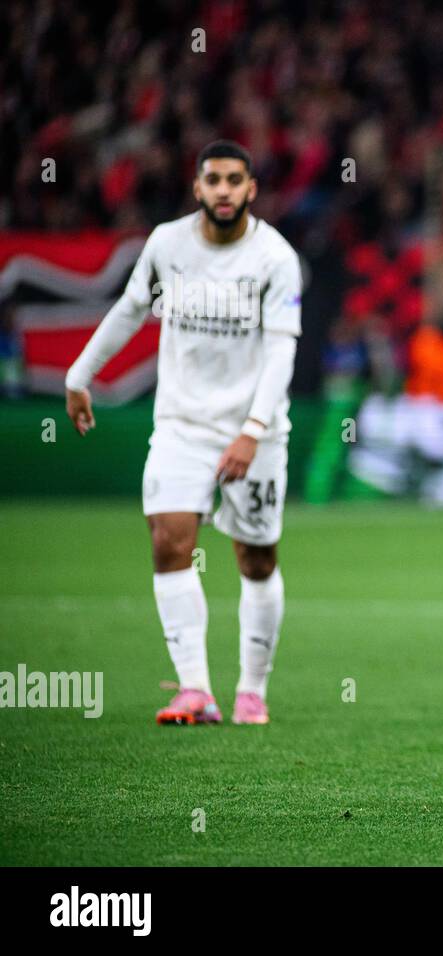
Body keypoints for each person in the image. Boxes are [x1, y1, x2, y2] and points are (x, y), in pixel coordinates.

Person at [65, 140, 302, 727]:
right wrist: (79, 373)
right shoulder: (167, 245)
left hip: (257, 431)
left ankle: (252, 688)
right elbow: (128, 307)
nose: (223, 190)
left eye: (234, 180)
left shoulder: (275, 257)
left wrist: (252, 430)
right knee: (170, 540)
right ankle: (195, 688)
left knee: (255, 557)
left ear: (251, 189)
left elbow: (280, 351)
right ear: (197, 188)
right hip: (181, 425)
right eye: (213, 180)